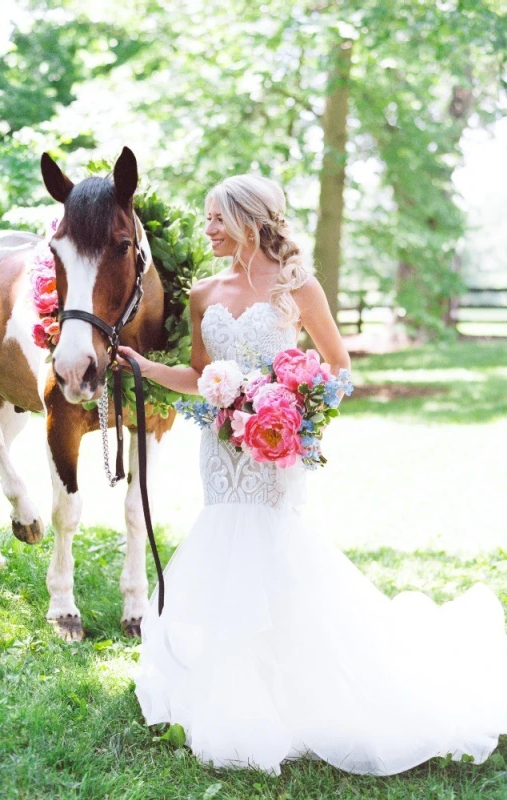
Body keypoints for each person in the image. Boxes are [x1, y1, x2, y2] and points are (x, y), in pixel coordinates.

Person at [116, 174, 507, 777]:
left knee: (272, 549)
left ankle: (297, 689)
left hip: (276, 447)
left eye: (217, 218)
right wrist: (145, 366)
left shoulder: (297, 285)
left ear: (250, 219)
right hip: (219, 450)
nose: (209, 229)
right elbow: (201, 378)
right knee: (223, 544)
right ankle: (233, 692)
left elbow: (338, 366)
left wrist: (296, 415)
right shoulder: (203, 294)